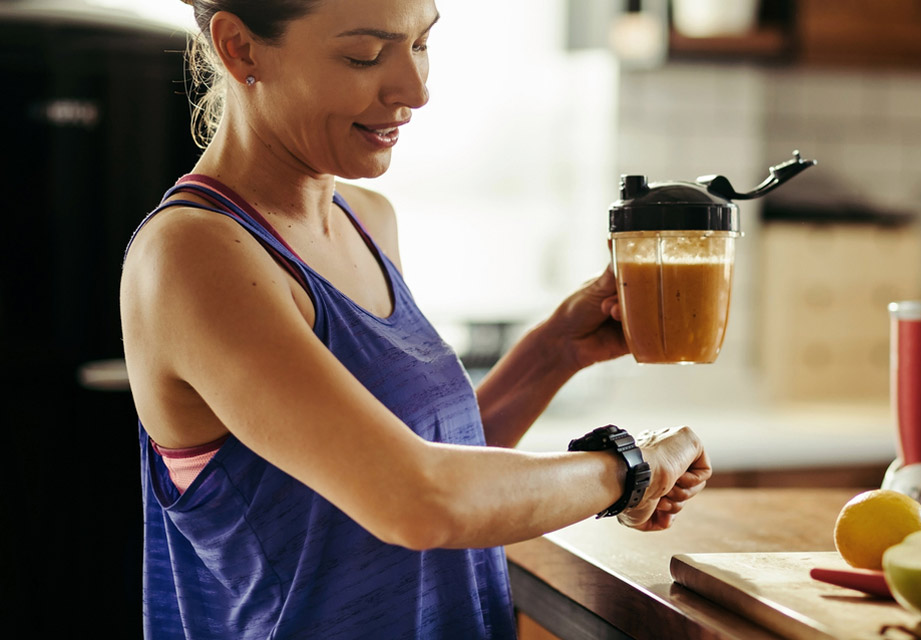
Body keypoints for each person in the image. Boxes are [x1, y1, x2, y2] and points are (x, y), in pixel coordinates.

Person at [119, 1, 712, 638]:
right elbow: (417, 501)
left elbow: (408, 463)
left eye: (422, 45)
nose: (416, 91)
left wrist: (552, 353)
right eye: (364, 56)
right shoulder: (194, 255)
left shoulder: (366, 219)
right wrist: (631, 468)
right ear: (239, 48)